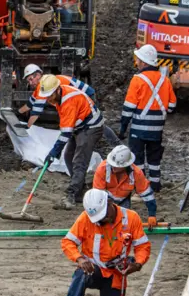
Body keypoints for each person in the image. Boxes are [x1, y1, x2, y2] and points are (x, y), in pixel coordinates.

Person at [60, 189, 151, 296]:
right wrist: (80, 259)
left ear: (110, 202)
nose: (102, 220)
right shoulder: (86, 218)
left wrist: (138, 264)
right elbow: (68, 242)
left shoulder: (131, 218)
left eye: (103, 215)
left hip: (115, 274)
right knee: (81, 274)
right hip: (93, 269)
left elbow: (142, 246)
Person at [41, 74, 105, 209]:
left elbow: (65, 133)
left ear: (57, 90)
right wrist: (55, 152)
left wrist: (53, 152)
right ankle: (79, 189)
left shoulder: (68, 101)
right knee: (68, 156)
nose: (47, 99)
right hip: (81, 126)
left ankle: (71, 195)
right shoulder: (59, 97)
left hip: (91, 127)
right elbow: (66, 128)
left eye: (49, 95)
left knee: (79, 161)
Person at [119, 44, 176, 192]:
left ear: (144, 62)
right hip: (157, 130)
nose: (136, 62)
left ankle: (141, 187)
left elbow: (128, 108)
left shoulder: (137, 80)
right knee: (154, 159)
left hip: (139, 129)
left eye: (137, 60)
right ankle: (155, 185)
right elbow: (172, 106)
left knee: (137, 159)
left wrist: (123, 128)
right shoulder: (165, 80)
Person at [17, 65, 120, 146]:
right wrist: (17, 113)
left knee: (93, 124)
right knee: (82, 126)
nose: (30, 83)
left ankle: (114, 143)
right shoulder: (46, 82)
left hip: (86, 96)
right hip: (80, 96)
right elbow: (30, 103)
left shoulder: (44, 85)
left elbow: (36, 112)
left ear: (38, 75)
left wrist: (27, 127)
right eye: (28, 81)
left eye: (31, 79)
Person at [93, 145, 157, 227]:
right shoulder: (102, 169)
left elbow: (147, 194)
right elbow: (97, 195)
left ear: (126, 165)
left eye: (117, 166)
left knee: (123, 223)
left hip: (124, 200)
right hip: (106, 200)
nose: (114, 167)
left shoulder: (136, 173)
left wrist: (152, 214)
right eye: (113, 164)